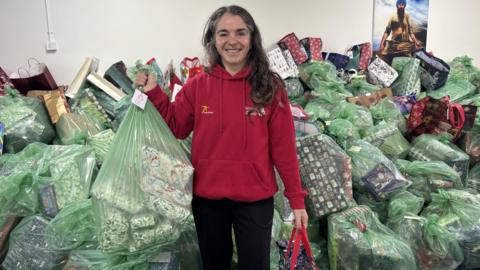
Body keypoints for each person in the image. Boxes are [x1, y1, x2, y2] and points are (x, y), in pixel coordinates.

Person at [135, 5, 308, 270]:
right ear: (213, 41)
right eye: (223, 33)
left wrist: (297, 200)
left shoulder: (270, 88)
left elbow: (284, 149)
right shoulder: (197, 86)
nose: (232, 41)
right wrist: (154, 93)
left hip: (255, 200)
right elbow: (177, 126)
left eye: (240, 33)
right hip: (208, 200)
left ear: (252, 38)